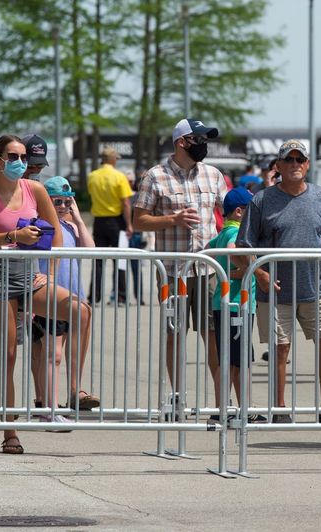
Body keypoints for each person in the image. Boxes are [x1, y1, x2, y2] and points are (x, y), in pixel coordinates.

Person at [0, 134, 92, 454]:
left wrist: (48, 272)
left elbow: (56, 235)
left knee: (81, 311)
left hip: (29, 275)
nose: (21, 162)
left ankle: (74, 389)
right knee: (7, 353)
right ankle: (9, 431)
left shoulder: (34, 189)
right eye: (14, 156)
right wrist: (14, 235)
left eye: (24, 157)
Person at [235, 139, 321, 424]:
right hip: (275, 292)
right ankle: (279, 409)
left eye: (300, 160)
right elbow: (243, 247)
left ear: (307, 165)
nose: (295, 164)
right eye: (289, 159)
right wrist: (259, 273)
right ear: (278, 165)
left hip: (315, 288)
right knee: (280, 349)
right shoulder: (261, 200)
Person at [133, 118, 227, 412]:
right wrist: (172, 219)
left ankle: (222, 400)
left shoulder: (213, 174)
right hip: (173, 272)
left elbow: (229, 213)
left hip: (209, 269)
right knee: (175, 334)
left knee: (214, 334)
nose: (204, 145)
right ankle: (177, 397)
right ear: (181, 142)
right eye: (199, 139)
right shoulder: (155, 176)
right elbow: (138, 221)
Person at [30, 176, 96, 428]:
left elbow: (90, 250)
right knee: (53, 354)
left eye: (67, 202)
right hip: (50, 297)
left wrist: (77, 218)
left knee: (60, 353)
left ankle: (61, 399)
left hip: (72, 298)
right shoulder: (42, 226)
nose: (62, 206)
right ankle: (50, 406)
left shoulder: (70, 227)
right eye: (57, 201)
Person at [206, 187, 264, 422]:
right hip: (236, 303)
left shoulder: (224, 231)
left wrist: (225, 271)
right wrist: (246, 270)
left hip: (227, 302)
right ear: (239, 212)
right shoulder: (236, 232)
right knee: (234, 360)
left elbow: (207, 250)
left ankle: (238, 408)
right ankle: (225, 410)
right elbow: (231, 250)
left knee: (235, 359)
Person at [87, 146, 134, 305]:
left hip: (99, 221)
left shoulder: (92, 176)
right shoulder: (119, 176)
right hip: (116, 221)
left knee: (98, 260)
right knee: (119, 260)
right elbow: (126, 203)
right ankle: (121, 295)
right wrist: (129, 224)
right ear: (113, 159)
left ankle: (94, 296)